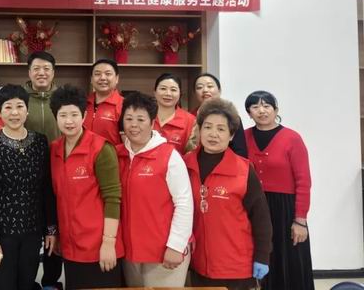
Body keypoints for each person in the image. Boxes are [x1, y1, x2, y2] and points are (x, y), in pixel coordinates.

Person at [184, 98, 272, 290]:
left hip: (237, 267)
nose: (213, 134)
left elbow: (261, 218)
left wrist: (262, 256)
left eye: (221, 129)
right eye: (208, 127)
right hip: (198, 265)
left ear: (231, 135)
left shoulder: (244, 170)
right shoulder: (185, 165)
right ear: (199, 130)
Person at [0, 84, 57, 290]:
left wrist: (51, 229)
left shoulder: (40, 142)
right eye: (8, 107)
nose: (14, 113)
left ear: (27, 110)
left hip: (33, 233)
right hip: (2, 235)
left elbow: (46, 188)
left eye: (20, 106)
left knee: (27, 284)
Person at [49, 84, 124, 289]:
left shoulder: (101, 148)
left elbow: (113, 198)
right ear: (56, 117)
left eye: (74, 114)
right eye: (63, 115)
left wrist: (108, 243)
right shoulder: (54, 149)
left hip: (99, 247)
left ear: (84, 116)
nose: (69, 121)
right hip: (70, 248)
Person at [117, 91, 193, 287]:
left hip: (164, 252)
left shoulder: (169, 156)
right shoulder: (118, 155)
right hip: (130, 253)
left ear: (152, 123)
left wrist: (176, 246)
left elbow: (184, 203)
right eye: (129, 119)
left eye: (141, 119)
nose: (134, 125)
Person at [244, 91, 314, 290]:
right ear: (248, 113)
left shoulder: (292, 138)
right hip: (254, 207)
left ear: (276, 110)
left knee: (289, 261)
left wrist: (300, 220)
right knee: (260, 257)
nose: (262, 110)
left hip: (284, 210)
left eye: (267, 106)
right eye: (255, 107)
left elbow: (303, 181)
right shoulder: (244, 137)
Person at [23, 51, 63, 289]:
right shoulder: (19, 98)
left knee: (54, 228)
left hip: (58, 172)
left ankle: (51, 281)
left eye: (46, 69)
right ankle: (28, 281)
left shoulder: (62, 99)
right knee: (30, 231)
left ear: (53, 72)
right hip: (26, 175)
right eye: (36, 68)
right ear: (29, 72)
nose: (41, 73)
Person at [190, 73, 247, 157]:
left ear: (219, 91)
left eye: (210, 86)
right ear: (195, 93)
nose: (205, 90)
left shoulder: (231, 117)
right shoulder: (189, 117)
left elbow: (240, 150)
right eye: (199, 87)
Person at [152, 73, 196, 155]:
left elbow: (192, 154)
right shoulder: (144, 116)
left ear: (180, 94)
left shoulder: (191, 121)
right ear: (154, 92)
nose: (168, 93)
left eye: (173, 90)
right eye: (163, 88)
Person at [84, 58, 124, 145]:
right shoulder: (83, 103)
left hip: (112, 153)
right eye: (97, 74)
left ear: (117, 78)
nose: (102, 78)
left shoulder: (124, 106)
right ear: (91, 79)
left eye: (108, 74)